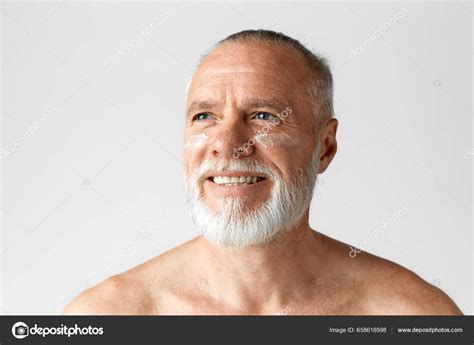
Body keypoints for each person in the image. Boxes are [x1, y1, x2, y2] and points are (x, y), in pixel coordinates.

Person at [63, 30, 462, 315]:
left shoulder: (411, 317)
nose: (226, 143)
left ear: (325, 147)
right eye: (205, 116)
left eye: (263, 116)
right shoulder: (107, 317)